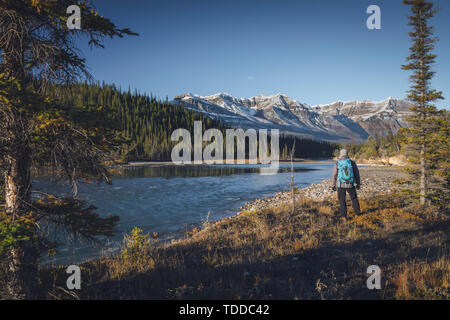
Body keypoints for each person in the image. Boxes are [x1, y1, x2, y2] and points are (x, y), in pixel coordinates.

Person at [331, 149, 361, 219]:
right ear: (347, 154)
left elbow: (334, 175)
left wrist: (333, 185)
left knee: (342, 200)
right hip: (350, 184)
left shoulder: (337, 163)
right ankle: (357, 214)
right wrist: (358, 183)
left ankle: (344, 217)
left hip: (341, 185)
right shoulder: (352, 162)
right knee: (354, 198)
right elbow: (357, 174)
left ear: (340, 155)